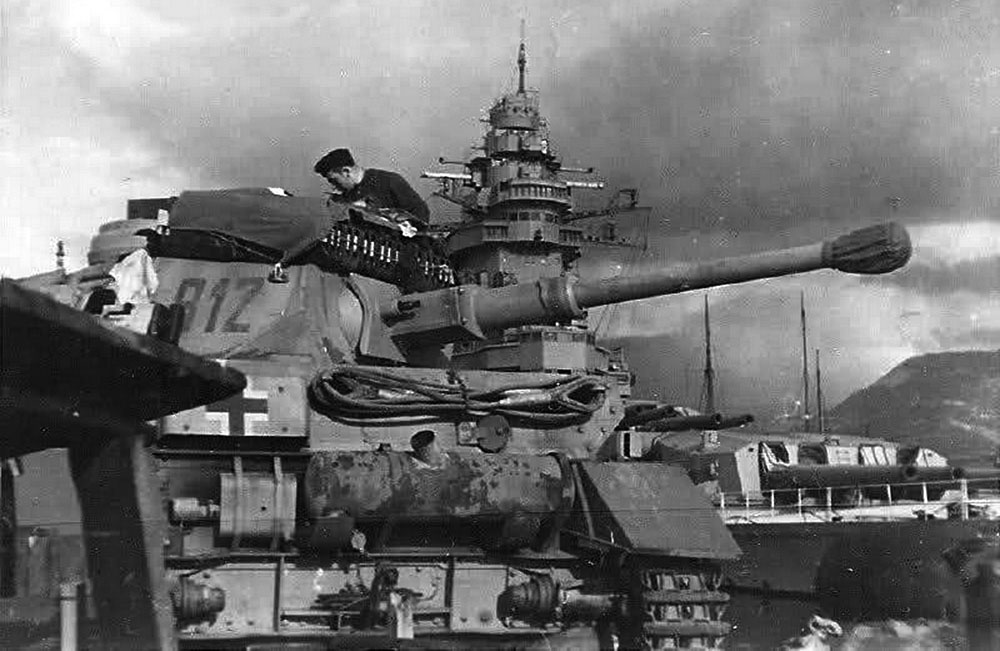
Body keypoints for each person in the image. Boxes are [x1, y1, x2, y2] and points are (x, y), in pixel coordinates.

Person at [314, 148, 430, 231]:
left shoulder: (390, 181)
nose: (334, 187)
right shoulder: (345, 196)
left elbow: (421, 214)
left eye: (334, 180)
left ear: (346, 171)